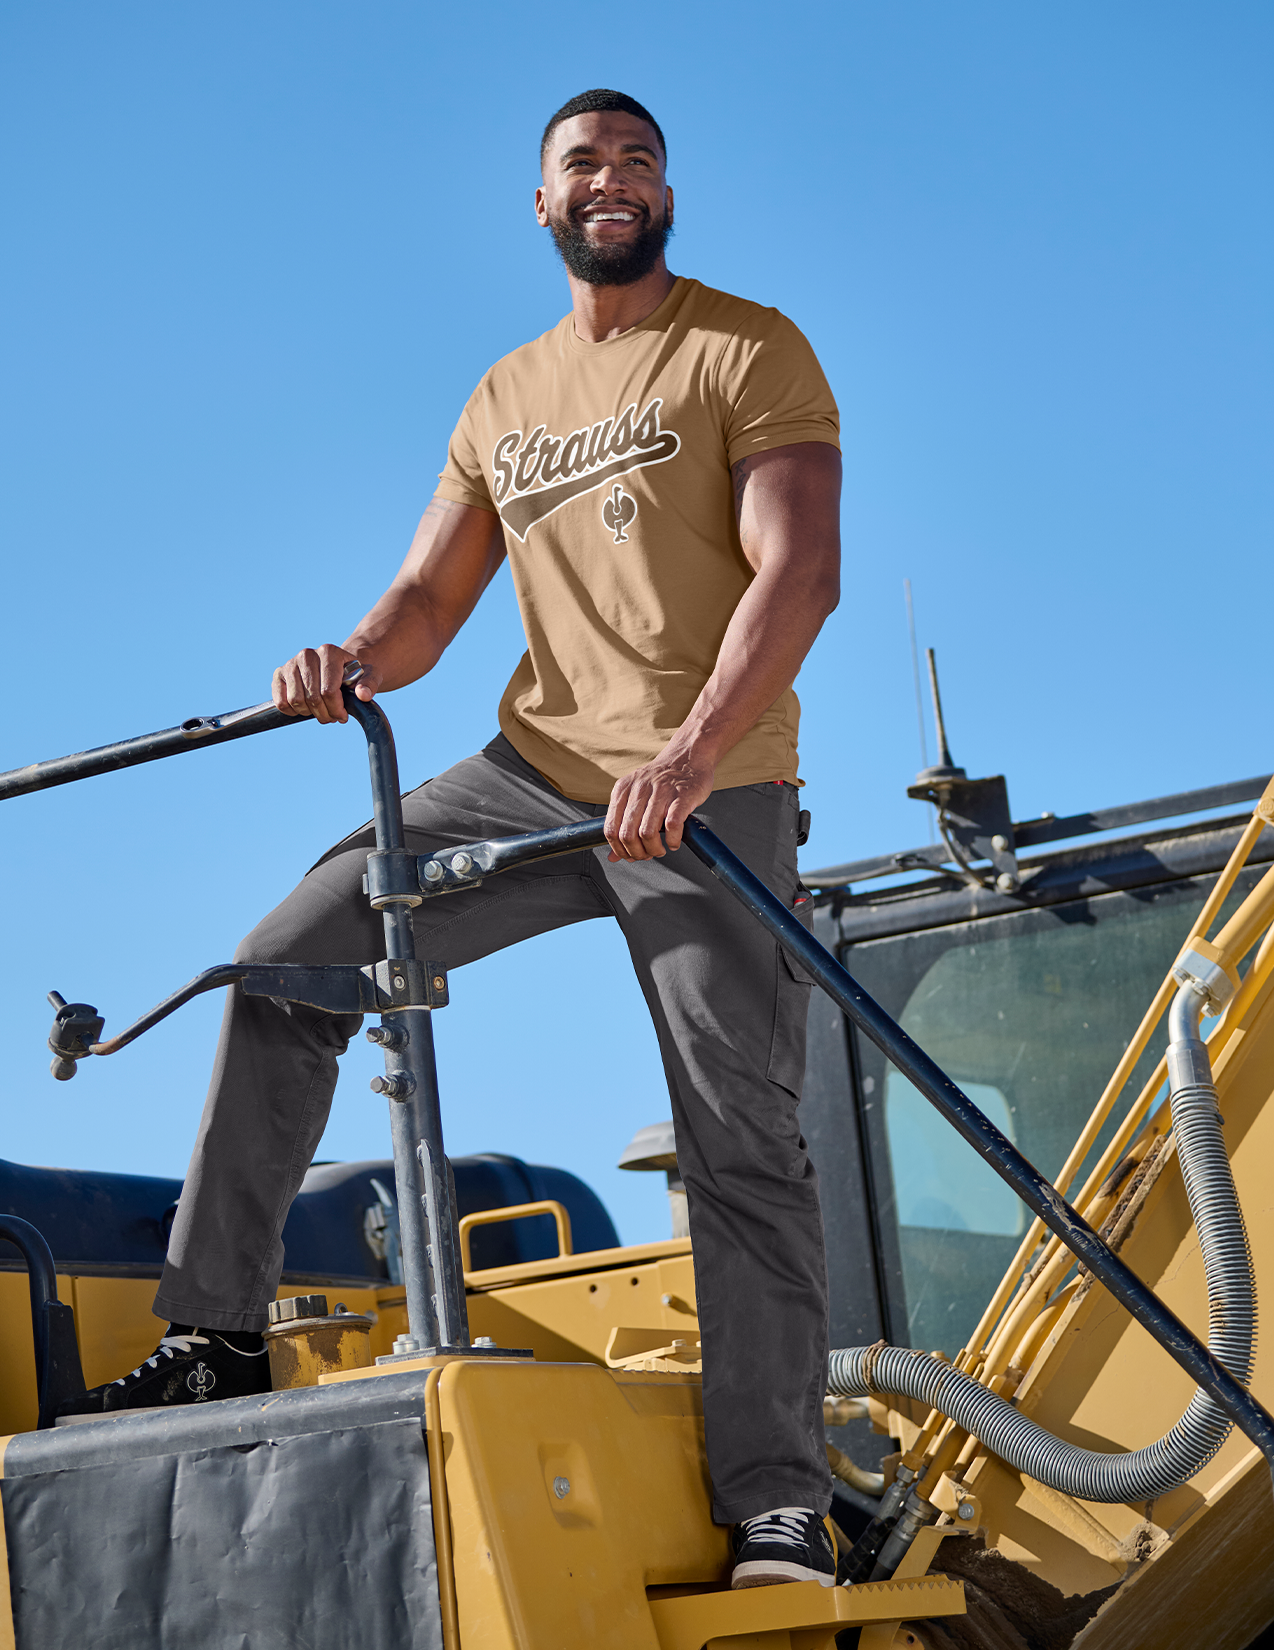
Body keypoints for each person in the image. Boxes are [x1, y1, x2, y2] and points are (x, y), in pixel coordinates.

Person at [62, 89, 843, 1590]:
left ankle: (776, 1500)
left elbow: (795, 572)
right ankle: (213, 1335)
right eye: (582, 165)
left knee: (738, 1127)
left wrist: (687, 753)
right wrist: (345, 655)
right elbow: (427, 604)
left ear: (664, 194)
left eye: (638, 163)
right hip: (536, 769)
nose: (613, 182)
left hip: (708, 778)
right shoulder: (504, 396)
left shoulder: (749, 346)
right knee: (287, 956)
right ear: (539, 207)